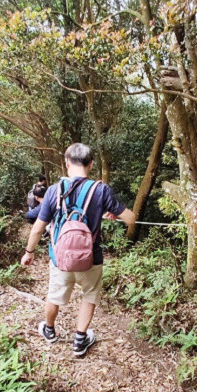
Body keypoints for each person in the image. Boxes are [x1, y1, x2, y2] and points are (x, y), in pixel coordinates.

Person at [21, 143, 135, 358]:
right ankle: (80, 341)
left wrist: (29, 252)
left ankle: (49, 331)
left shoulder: (53, 191)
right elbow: (130, 219)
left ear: (66, 163)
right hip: (91, 258)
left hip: (60, 259)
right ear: (91, 164)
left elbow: (37, 228)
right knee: (89, 296)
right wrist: (113, 213)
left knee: (54, 295)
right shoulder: (101, 190)